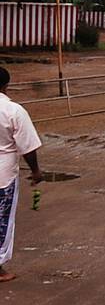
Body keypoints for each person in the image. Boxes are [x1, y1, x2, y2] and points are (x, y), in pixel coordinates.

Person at [0, 66, 44, 284]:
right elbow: (27, 147)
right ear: (6, 84)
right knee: (2, 219)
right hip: (4, 173)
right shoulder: (13, 111)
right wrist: (36, 171)